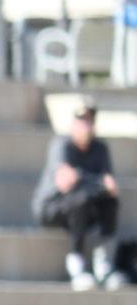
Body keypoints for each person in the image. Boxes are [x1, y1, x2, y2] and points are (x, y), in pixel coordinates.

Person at [37, 99, 122, 290]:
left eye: (90, 120)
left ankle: (105, 266)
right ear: (73, 123)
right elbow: (66, 180)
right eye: (82, 120)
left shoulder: (100, 148)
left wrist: (90, 181)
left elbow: (111, 186)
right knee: (82, 199)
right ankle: (77, 264)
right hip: (54, 208)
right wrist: (99, 182)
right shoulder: (62, 145)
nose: (86, 125)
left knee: (110, 201)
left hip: (85, 207)